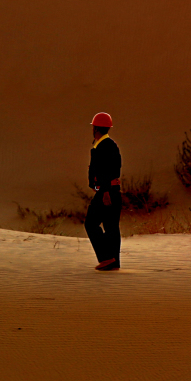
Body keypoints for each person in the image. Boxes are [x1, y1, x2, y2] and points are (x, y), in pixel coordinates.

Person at [85, 112, 122, 271]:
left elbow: (106, 171)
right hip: (112, 190)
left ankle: (107, 257)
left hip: (107, 192)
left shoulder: (103, 146)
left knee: (91, 223)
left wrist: (104, 191)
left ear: (96, 128)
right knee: (111, 226)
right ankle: (113, 262)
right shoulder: (108, 144)